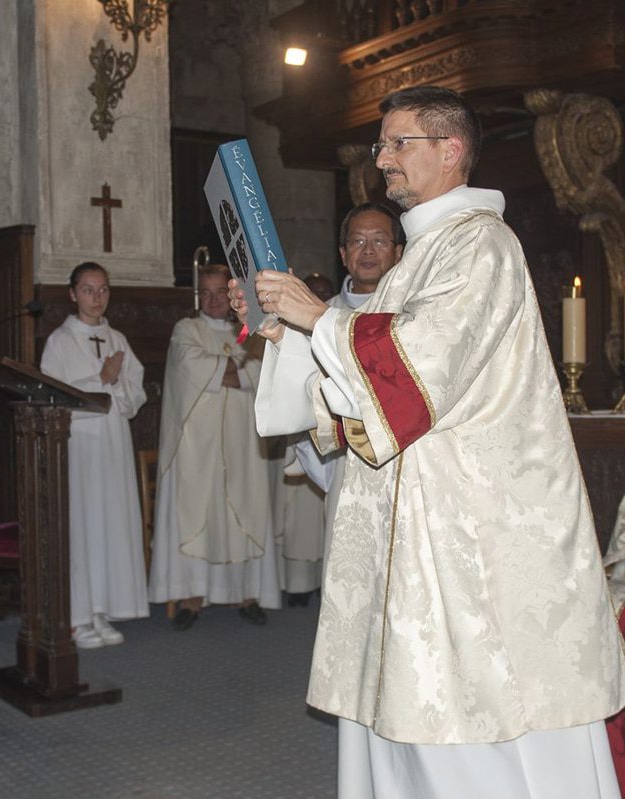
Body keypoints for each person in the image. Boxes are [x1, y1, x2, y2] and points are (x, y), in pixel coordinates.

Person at [241, 85, 624, 797]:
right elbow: (355, 384)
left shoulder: (481, 246)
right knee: (406, 703)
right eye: (382, 144)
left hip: (465, 536)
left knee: (465, 708)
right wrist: (289, 330)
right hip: (415, 529)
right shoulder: (417, 258)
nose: (381, 158)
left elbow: (416, 373)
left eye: (398, 143)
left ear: (450, 152)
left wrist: (318, 316)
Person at [147, 263, 278, 630]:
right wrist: (236, 371)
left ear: (234, 293)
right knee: (198, 514)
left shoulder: (252, 330)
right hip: (195, 446)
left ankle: (248, 594)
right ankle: (192, 595)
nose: (214, 299)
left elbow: (262, 372)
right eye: (205, 293)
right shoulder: (185, 330)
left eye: (221, 291)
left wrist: (228, 373)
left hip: (243, 441)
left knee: (245, 509)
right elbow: (192, 367)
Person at [40, 262, 148, 648]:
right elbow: (51, 395)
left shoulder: (117, 337)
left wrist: (116, 385)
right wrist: (100, 380)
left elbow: (137, 395)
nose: (96, 297)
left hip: (113, 442)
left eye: (103, 289)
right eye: (88, 290)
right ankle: (76, 617)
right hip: (80, 444)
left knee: (108, 524)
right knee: (82, 526)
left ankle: (100, 609)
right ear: (72, 294)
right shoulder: (60, 341)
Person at [290, 203, 404, 564]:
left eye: (379, 241)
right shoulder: (317, 318)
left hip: (408, 472)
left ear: (399, 252)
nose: (368, 251)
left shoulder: (414, 315)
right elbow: (301, 398)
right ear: (343, 254)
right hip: (343, 464)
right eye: (357, 241)